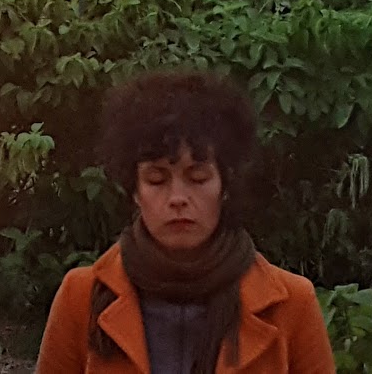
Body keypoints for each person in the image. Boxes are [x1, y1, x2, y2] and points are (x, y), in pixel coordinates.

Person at [36, 71, 334, 374]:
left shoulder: (292, 304)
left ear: (225, 185)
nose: (177, 198)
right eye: (156, 179)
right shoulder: (81, 297)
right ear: (134, 191)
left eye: (198, 178)